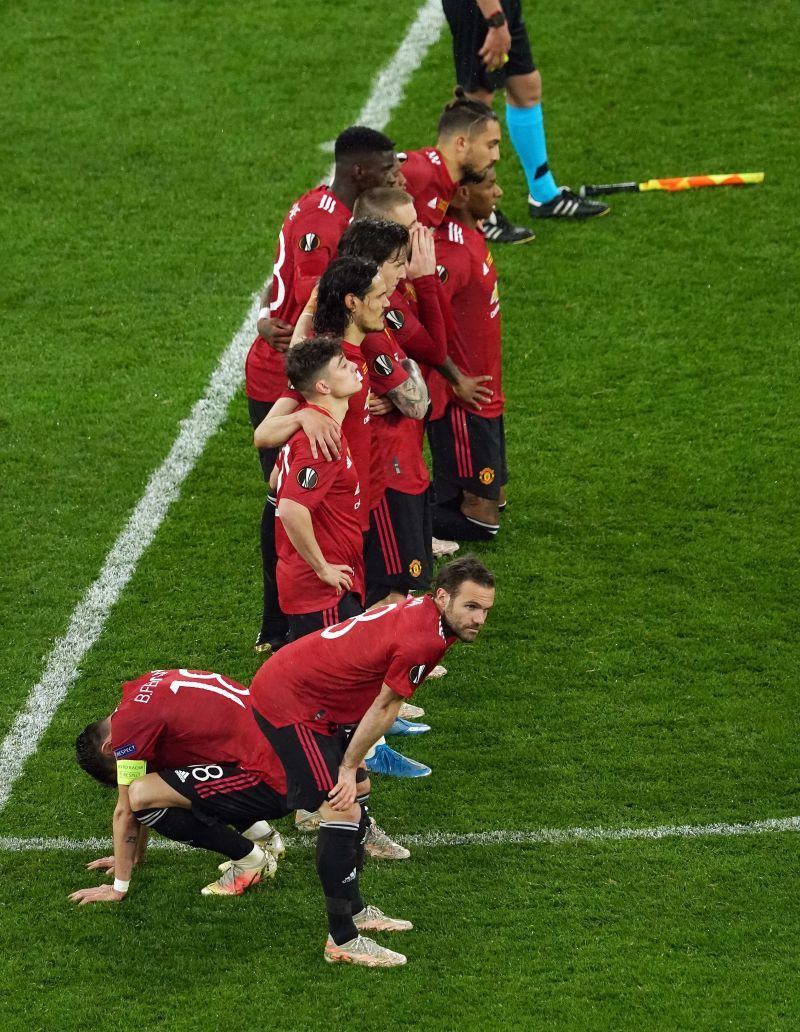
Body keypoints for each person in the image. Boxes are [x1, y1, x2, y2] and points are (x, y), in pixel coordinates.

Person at [249, 555, 496, 967]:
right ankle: (341, 940)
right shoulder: (425, 640)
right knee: (342, 808)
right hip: (291, 703)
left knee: (357, 792)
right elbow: (386, 706)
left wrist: (352, 767)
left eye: (485, 610)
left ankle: (357, 908)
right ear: (442, 597)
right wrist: (347, 765)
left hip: (314, 696)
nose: (479, 619)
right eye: (471, 607)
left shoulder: (424, 613)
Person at [246, 126, 402, 654]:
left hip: (300, 374)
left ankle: (295, 626)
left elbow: (285, 287)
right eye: (386, 169)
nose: (395, 176)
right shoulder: (325, 225)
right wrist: (311, 403)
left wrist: (269, 315)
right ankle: (284, 627)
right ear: (360, 172)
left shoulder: (315, 205)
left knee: (306, 497)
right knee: (288, 499)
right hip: (289, 374)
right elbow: (314, 306)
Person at [70, 668, 291, 903]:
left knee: (141, 794)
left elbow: (128, 810)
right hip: (286, 750)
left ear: (109, 748)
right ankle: (264, 838)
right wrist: (133, 856)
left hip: (276, 781)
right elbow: (151, 783)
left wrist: (118, 888)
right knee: (164, 782)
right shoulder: (138, 694)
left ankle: (250, 859)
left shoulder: (128, 732)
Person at [441, 0, 608, 224]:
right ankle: (476, 214)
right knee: (477, 103)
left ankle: (544, 194)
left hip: (500, 8)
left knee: (525, 87)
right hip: (479, 10)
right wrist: (496, 22)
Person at [429, 166, 508, 540]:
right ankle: (386, 516)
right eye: (490, 185)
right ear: (461, 196)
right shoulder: (453, 256)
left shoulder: (472, 232)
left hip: (486, 390)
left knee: (499, 498)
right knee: (482, 521)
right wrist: (454, 379)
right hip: (463, 399)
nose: (499, 193)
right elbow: (420, 324)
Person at [274, 336, 365, 638]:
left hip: (314, 587)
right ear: (323, 387)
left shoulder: (316, 428)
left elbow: (276, 480)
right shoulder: (322, 442)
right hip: (320, 592)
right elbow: (290, 508)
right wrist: (322, 568)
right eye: (343, 365)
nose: (354, 366)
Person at [400, 89, 506, 232]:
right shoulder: (417, 171)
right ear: (461, 144)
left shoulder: (449, 183)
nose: (496, 156)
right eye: (490, 145)